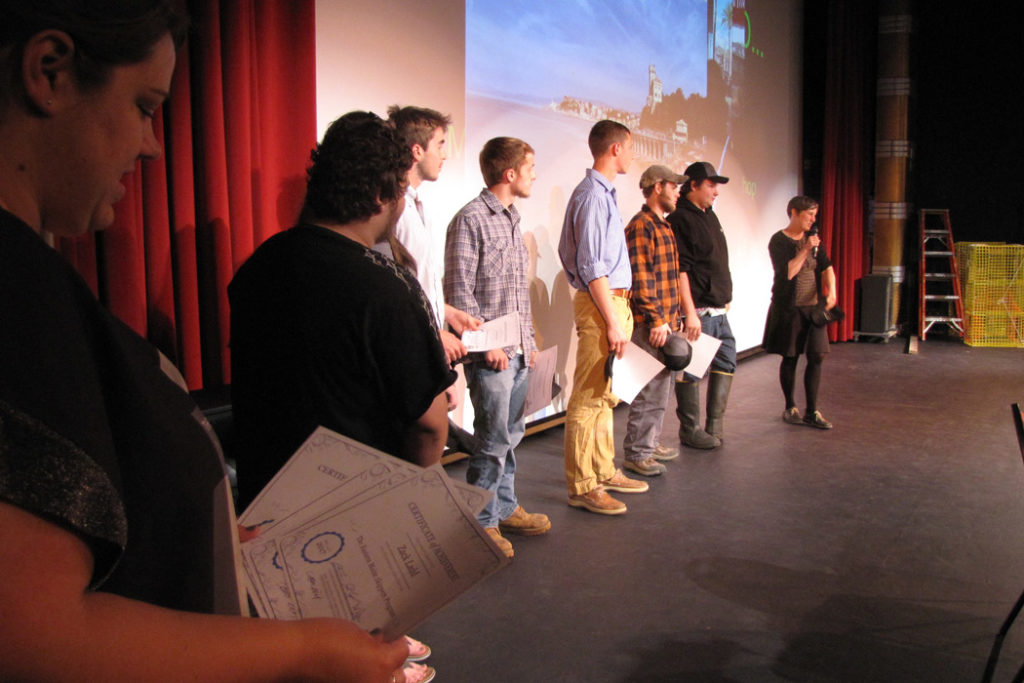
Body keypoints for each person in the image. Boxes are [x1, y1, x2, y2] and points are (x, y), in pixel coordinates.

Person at [0, 3, 413, 681]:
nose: (153, 144)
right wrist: (304, 651)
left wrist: (207, 529)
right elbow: (31, 633)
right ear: (49, 73)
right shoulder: (19, 291)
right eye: (144, 105)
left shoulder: (38, 280)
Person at [444, 137, 551, 557]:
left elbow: (514, 293)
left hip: (518, 351)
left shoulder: (510, 218)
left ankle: (503, 508)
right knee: (490, 440)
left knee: (511, 434)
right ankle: (481, 521)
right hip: (492, 355)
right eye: (531, 167)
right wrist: (485, 344)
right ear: (510, 174)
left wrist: (530, 342)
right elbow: (458, 291)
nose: (534, 174)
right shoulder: (470, 219)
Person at [557, 119, 649, 516]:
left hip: (612, 303)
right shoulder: (593, 197)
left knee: (604, 395)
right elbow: (592, 265)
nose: (632, 155)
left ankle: (604, 470)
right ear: (615, 148)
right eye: (630, 147)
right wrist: (611, 319)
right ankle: (583, 485)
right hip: (603, 304)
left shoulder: (602, 195)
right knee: (589, 395)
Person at [380, 105, 480, 378]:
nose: (445, 154)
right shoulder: (391, 211)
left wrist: (447, 312)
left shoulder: (417, 206)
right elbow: (392, 292)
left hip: (428, 350)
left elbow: (417, 281)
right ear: (417, 151)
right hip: (411, 352)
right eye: (440, 144)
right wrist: (434, 334)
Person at [622, 165, 700, 477]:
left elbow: (669, 277)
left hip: (665, 322)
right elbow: (641, 278)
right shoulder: (641, 226)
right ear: (658, 187)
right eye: (674, 186)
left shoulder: (663, 226)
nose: (679, 192)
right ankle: (637, 453)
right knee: (649, 390)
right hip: (649, 325)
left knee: (661, 388)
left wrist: (674, 318)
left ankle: (650, 443)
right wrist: (655, 321)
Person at [667, 161, 737, 449]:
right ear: (693, 184)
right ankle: (690, 429)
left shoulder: (709, 215)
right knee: (692, 370)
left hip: (718, 309)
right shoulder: (681, 218)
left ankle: (713, 427)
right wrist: (689, 311)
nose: (716, 191)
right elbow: (680, 269)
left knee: (726, 361)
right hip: (699, 311)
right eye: (711, 185)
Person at [762, 195, 837, 429]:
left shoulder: (814, 240)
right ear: (794, 212)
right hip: (789, 308)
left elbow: (826, 266)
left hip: (813, 307)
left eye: (815, 215)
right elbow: (788, 272)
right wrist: (805, 249)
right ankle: (790, 406)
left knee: (817, 356)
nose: (814, 219)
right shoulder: (779, 241)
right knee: (791, 356)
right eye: (809, 215)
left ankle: (812, 411)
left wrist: (832, 291)